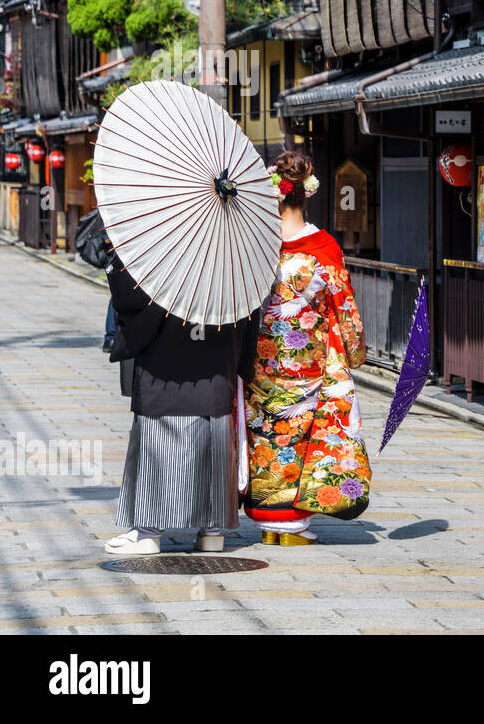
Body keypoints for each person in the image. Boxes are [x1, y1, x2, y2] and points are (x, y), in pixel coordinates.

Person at [243, 151, 369, 546]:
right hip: (309, 364)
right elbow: (344, 306)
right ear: (306, 194)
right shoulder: (323, 246)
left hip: (258, 361)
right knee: (302, 439)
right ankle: (292, 526)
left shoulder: (254, 246)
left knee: (268, 439)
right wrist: (353, 350)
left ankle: (270, 524)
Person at [104, 256, 260, 555]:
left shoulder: (165, 249)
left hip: (164, 372)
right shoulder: (235, 257)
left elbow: (132, 304)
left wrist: (116, 267)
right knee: (212, 449)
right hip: (215, 373)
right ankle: (212, 532)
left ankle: (148, 531)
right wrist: (240, 361)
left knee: (157, 447)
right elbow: (250, 312)